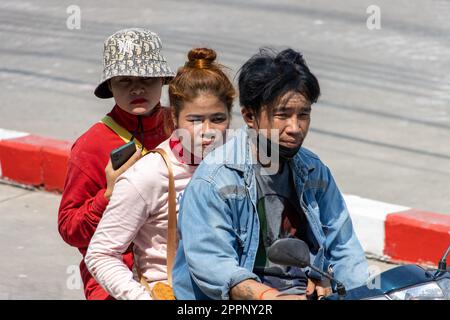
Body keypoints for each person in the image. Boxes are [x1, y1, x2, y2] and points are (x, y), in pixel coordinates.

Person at [173, 48, 369, 300]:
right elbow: (214, 266)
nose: (295, 128)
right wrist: (269, 297)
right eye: (282, 115)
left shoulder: (313, 170)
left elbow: (343, 248)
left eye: (304, 114)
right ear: (250, 116)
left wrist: (360, 293)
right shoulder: (214, 179)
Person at [84, 48, 235, 300]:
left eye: (218, 118)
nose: (208, 132)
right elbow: (100, 254)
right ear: (174, 117)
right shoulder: (148, 175)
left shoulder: (239, 163)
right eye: (195, 120)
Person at [58, 28, 175, 300]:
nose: (136, 88)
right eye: (124, 80)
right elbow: (70, 230)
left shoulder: (181, 127)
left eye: (146, 78)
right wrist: (108, 195)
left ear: (162, 80)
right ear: (109, 86)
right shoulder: (91, 145)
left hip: (175, 268)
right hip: (112, 279)